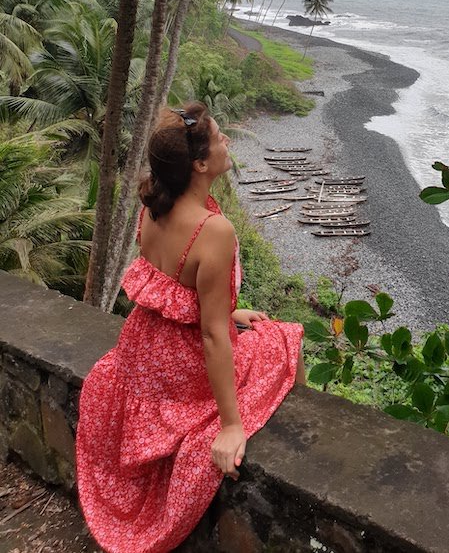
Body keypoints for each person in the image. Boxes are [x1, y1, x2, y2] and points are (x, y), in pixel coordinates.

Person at [76, 102, 305, 553]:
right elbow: (213, 336)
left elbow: (168, 288)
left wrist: (226, 311)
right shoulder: (213, 229)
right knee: (285, 338)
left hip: (140, 351)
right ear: (200, 164)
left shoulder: (153, 205)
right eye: (220, 138)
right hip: (182, 364)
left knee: (252, 327)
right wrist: (231, 425)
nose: (228, 143)